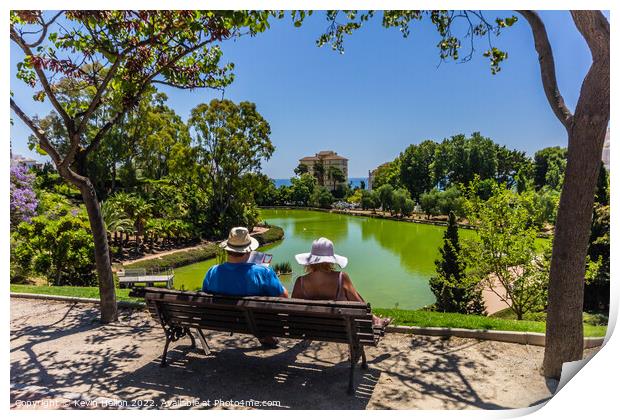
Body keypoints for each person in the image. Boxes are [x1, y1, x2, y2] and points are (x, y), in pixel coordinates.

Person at [202, 226, 288, 348]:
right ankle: (265, 335)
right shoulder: (263, 272)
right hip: (258, 322)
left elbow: (205, 294)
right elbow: (284, 297)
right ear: (248, 251)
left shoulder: (212, 271)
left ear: (227, 250)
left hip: (222, 321)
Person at [292, 237, 391, 327]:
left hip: (310, 327)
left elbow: (293, 309)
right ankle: (375, 320)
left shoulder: (300, 281)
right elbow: (359, 305)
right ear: (330, 259)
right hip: (339, 327)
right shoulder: (341, 277)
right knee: (354, 294)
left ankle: (375, 319)